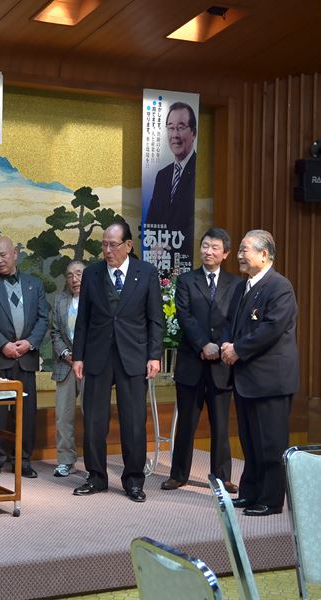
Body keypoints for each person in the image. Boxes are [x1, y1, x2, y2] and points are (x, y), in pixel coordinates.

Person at [72, 220, 163, 502]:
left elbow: (155, 319)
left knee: (134, 421)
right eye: (104, 244)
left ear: (128, 245)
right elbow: (83, 320)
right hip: (98, 355)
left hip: (134, 355)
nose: (107, 250)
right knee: (95, 421)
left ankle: (134, 480)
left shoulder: (146, 273)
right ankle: (96, 477)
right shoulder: (92, 274)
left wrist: (154, 355)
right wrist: (78, 356)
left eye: (113, 245)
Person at [220, 230, 299, 516]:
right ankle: (250, 492)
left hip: (270, 381)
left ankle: (271, 500)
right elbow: (231, 322)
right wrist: (227, 344)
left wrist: (237, 349)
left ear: (264, 255)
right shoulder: (243, 287)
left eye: (244, 250)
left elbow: (271, 329)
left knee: (270, 444)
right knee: (250, 442)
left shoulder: (280, 287)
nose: (239, 256)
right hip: (246, 380)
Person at [162, 228, 239, 493]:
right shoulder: (186, 280)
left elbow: (234, 320)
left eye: (215, 247)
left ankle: (222, 477)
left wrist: (219, 346)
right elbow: (184, 316)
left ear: (226, 253)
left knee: (220, 424)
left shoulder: (236, 284)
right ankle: (179, 474)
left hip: (221, 364)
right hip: (192, 361)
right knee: (186, 423)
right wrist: (202, 345)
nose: (208, 251)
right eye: (205, 246)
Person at [0, 236, 49, 479]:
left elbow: (42, 319)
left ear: (15, 253)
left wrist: (29, 343)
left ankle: (22, 459)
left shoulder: (34, 285)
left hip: (26, 358)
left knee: (26, 412)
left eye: (3, 255)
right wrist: (3, 345)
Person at [49, 259, 85, 478]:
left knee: (91, 415)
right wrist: (66, 355)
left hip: (90, 366)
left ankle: (94, 463)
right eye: (70, 275)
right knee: (63, 416)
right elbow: (54, 333)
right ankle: (65, 460)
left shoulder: (96, 300)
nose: (75, 279)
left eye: (79, 274)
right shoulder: (60, 300)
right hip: (66, 365)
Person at [145, 101, 197, 233]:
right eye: (171, 128)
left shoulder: (199, 172)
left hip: (187, 251)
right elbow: (152, 220)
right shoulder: (162, 175)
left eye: (181, 127)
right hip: (158, 251)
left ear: (194, 133)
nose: (175, 135)